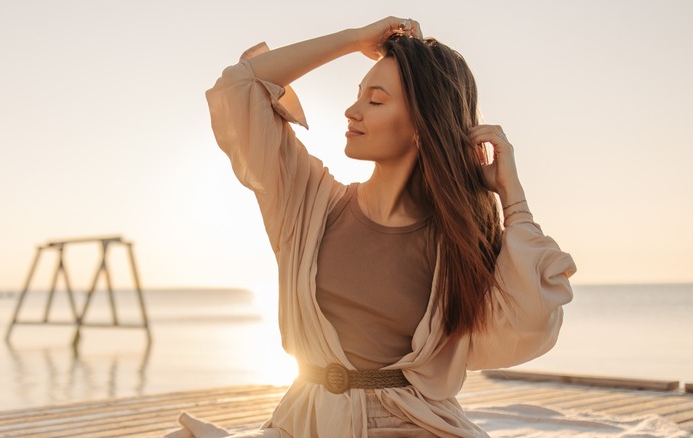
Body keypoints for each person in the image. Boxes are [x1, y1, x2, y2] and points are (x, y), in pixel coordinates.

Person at [171, 16, 576, 438]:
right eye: (358, 95)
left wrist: (512, 198)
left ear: (423, 125)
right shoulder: (307, 202)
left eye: (376, 101)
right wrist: (355, 40)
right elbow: (240, 87)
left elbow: (529, 328)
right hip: (307, 422)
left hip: (415, 425)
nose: (353, 111)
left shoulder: (457, 239)